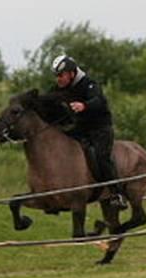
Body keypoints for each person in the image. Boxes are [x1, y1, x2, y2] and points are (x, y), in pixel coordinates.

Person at [50, 55, 128, 211]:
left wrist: (84, 106)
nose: (58, 79)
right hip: (81, 128)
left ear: (71, 73)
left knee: (101, 156)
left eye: (60, 75)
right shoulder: (60, 88)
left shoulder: (89, 84)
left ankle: (117, 194)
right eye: (56, 76)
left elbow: (99, 101)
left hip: (101, 128)